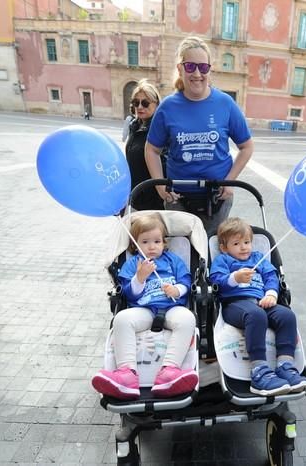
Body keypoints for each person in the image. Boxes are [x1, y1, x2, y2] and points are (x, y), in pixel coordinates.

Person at [145, 36, 254, 235]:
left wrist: (229, 182)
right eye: (190, 66)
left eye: (203, 67)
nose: (197, 74)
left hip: (217, 198)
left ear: (209, 69)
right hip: (178, 198)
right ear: (180, 68)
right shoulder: (167, 107)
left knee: (213, 250)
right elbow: (151, 149)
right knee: (183, 254)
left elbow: (247, 147)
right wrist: (160, 186)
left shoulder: (225, 104)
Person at [91, 214, 198, 399]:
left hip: (172, 307)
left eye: (157, 241)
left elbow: (186, 282)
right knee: (122, 319)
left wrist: (177, 290)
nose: (151, 246)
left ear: (164, 243)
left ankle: (170, 370)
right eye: (145, 242)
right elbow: (129, 293)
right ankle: (126, 374)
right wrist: (139, 277)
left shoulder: (173, 260)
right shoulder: (134, 264)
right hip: (144, 309)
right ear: (136, 245)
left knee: (188, 319)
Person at [210, 218, 306, 396]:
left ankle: (285, 365)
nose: (244, 247)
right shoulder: (223, 260)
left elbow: (271, 276)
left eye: (247, 242)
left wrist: (271, 293)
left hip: (262, 301)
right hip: (235, 305)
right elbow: (216, 280)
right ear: (224, 247)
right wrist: (234, 278)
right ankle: (259, 372)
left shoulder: (259, 258)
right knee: (256, 315)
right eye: (236, 243)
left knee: (287, 316)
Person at [125, 81, 164, 211]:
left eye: (145, 103)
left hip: (153, 201)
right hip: (134, 196)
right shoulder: (134, 126)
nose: (140, 107)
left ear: (157, 104)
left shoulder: (161, 130)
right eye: (136, 103)